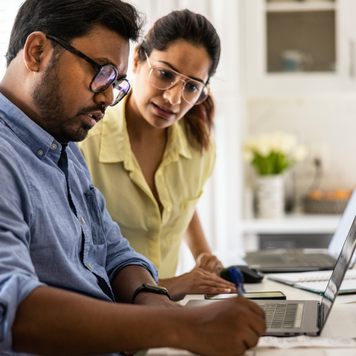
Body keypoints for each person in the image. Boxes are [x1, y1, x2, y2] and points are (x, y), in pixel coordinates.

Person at [0, 0, 266, 355]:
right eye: (102, 72)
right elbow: (12, 311)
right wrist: (179, 326)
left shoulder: (63, 147)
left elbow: (113, 250)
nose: (109, 97)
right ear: (37, 52)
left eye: (116, 82)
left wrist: (155, 300)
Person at [79, 9, 232, 301]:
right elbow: (78, 264)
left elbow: (181, 208)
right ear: (137, 60)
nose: (174, 98)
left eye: (191, 87)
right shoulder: (85, 145)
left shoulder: (199, 148)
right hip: (107, 317)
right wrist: (173, 285)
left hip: (164, 319)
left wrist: (205, 257)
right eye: (165, 74)